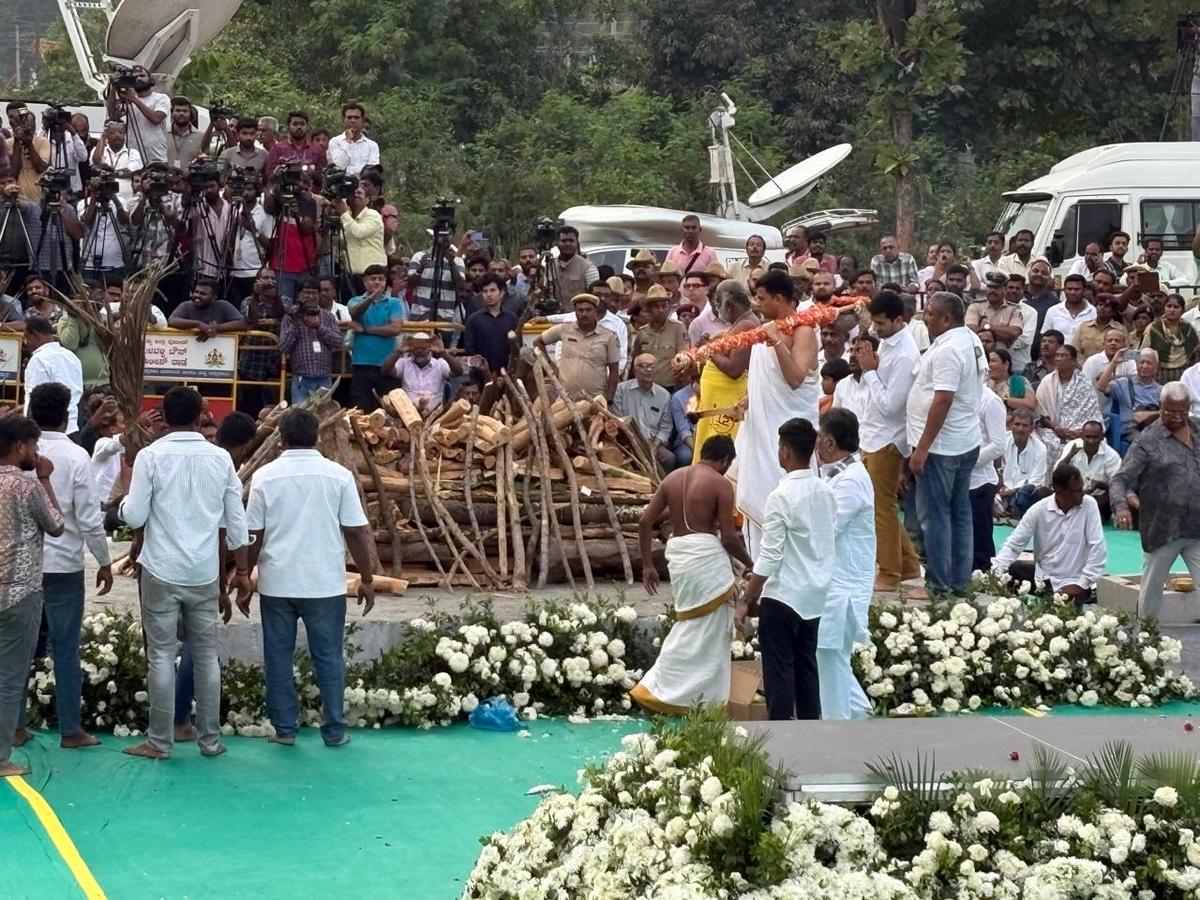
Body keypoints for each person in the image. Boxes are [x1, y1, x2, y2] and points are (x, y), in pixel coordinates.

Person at [118, 387, 251, 760]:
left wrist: (126, 503)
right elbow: (237, 524)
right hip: (204, 571)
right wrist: (240, 570)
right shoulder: (221, 459)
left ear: (164, 416)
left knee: (161, 656)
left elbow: (134, 516)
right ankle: (210, 741)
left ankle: (160, 742)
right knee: (206, 656)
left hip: (160, 568)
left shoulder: (150, 456)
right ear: (201, 417)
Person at [243, 408, 375, 747]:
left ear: (281, 440)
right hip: (324, 582)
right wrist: (367, 578)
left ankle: (285, 729)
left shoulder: (264, 477)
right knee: (329, 655)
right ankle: (334, 730)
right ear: (317, 437)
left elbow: (253, 534)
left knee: (278, 656)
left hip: (277, 581)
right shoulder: (339, 475)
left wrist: (243, 575)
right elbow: (357, 532)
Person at [14, 384, 112, 750]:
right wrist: (104, 561)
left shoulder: (15, 454)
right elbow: (88, 517)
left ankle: (15, 727)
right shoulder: (75, 456)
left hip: (24, 564)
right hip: (65, 564)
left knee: (17, 650)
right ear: (67, 413)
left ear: (31, 411)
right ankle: (71, 730)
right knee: (66, 649)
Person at [631, 435, 752, 713]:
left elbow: (644, 521)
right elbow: (729, 539)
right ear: (724, 461)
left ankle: (679, 693)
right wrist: (751, 564)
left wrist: (648, 564)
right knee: (712, 627)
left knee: (693, 625)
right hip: (705, 556)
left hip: (682, 557)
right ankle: (679, 693)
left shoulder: (672, 478)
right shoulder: (721, 483)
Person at [740, 418, 835, 721]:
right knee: (806, 668)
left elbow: (770, 556)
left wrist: (746, 596)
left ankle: (782, 740)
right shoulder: (825, 491)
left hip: (783, 596)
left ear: (784, 451)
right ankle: (811, 732)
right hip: (814, 594)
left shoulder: (781, 496)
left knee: (779, 674)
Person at [733, 270, 822, 557]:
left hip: (789, 431)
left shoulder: (804, 331)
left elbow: (796, 379)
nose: (757, 304)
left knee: (787, 503)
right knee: (759, 499)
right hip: (761, 431)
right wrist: (749, 399)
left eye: (761, 299)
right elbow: (766, 380)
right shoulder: (768, 327)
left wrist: (775, 341)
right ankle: (759, 572)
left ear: (780, 298)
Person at [905, 292, 987, 596]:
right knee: (959, 512)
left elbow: (943, 399)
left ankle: (939, 584)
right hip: (963, 439)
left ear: (946, 319)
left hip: (943, 446)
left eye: (930, 313)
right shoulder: (969, 339)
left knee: (936, 516)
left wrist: (923, 447)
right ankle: (958, 581)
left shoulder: (949, 350)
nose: (924, 317)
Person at [0, 414, 65, 777]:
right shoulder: (27, 488)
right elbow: (56, 524)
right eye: (34, 445)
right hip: (19, 591)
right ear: (20, 446)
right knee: (9, 677)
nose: (36, 452)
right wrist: (44, 476)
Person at [1112, 382, 1200, 616]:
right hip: (1163, 529)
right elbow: (1120, 478)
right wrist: (1121, 506)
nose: (1176, 417)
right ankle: (1145, 639)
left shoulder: (1198, 429)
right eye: (1170, 411)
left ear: (1188, 407)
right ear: (1160, 407)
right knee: (1150, 593)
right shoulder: (1146, 441)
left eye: (1181, 411)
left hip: (1196, 527)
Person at [855, 291, 921, 591]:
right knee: (882, 506)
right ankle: (907, 565)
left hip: (888, 439)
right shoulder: (888, 342)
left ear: (899, 320)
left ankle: (889, 573)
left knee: (880, 508)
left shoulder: (906, 353)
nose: (875, 329)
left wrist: (869, 372)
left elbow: (892, 406)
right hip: (873, 434)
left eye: (880, 324)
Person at [814, 409, 874, 721]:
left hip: (843, 588)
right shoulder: (841, 473)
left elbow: (827, 529)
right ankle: (861, 715)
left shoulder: (850, 481)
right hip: (836, 585)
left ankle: (837, 728)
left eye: (819, 438)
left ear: (830, 442)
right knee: (830, 656)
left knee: (830, 655)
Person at [992, 463, 1106, 604]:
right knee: (1010, 573)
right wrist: (995, 573)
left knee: (1063, 615)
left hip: (1077, 581)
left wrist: (1082, 583)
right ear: (1059, 491)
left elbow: (1098, 548)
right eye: (1077, 490)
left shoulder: (1089, 505)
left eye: (1082, 488)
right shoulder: (1038, 510)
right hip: (1044, 578)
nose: (1083, 493)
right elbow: (1014, 544)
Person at [691, 279, 757, 460]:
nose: (716, 311)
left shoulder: (747, 326)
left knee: (718, 459)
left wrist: (709, 348)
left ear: (728, 305)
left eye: (717, 306)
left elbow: (735, 370)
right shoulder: (740, 324)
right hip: (716, 403)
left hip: (727, 405)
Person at [534, 293, 620, 402]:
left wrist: (609, 400)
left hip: (595, 401)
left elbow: (614, 371)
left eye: (588, 310)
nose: (584, 314)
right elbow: (538, 342)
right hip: (565, 400)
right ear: (575, 312)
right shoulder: (564, 329)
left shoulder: (608, 336)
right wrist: (551, 366)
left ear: (595, 312)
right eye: (580, 310)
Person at [1034, 344, 1101, 474]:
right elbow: (1041, 412)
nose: (1058, 358)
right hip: (1052, 429)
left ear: (1073, 361)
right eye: (1057, 355)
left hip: (1081, 431)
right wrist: (1056, 428)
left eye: (1063, 355)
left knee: (1082, 443)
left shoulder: (1084, 383)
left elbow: (1092, 412)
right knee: (1047, 445)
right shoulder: (1048, 381)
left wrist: (1079, 431)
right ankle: (1048, 485)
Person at [347, 264, 404, 412]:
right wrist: (371, 297)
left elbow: (395, 328)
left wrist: (365, 329)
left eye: (381, 279)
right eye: (373, 279)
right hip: (362, 364)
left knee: (390, 410)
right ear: (365, 282)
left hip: (387, 367)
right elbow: (353, 314)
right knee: (360, 410)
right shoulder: (355, 300)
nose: (377, 282)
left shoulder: (394, 302)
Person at [277, 286, 345, 405]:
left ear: (319, 295)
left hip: (324, 377)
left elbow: (338, 342)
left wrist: (319, 327)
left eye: (314, 292)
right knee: (300, 417)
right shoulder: (290, 318)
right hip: (301, 378)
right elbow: (283, 347)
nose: (311, 296)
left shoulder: (328, 316)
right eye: (306, 293)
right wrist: (295, 322)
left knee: (324, 417)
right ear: (299, 295)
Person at [614, 354, 675, 471]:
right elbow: (616, 419)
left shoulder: (664, 395)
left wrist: (655, 445)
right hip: (626, 442)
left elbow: (666, 428)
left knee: (669, 458)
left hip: (652, 443)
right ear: (635, 371)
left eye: (652, 366)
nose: (648, 370)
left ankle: (662, 488)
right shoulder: (621, 390)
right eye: (643, 366)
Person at [22, 316, 84, 434]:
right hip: (73, 428)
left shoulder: (39, 360)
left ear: (35, 335)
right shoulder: (71, 356)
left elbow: (34, 399)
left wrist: (28, 433)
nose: (26, 344)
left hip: (47, 433)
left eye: (26, 338)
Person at [969, 387, 1007, 573]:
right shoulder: (957, 395)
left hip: (980, 480)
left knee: (980, 540)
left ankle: (985, 581)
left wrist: (967, 461)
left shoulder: (990, 401)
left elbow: (998, 445)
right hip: (957, 478)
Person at [105, 65, 170, 165]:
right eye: (135, 77)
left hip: (156, 157)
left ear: (150, 78)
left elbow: (156, 119)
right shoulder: (128, 99)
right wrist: (114, 87)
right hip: (134, 157)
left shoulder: (161, 98)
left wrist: (134, 99)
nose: (139, 79)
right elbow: (113, 116)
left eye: (142, 76)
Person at [1057, 420, 1121, 520]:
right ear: (1082, 436)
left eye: (1095, 437)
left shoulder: (1112, 456)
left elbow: (1118, 486)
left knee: (1106, 499)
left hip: (1097, 499)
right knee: (1044, 493)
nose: (1090, 441)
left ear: (1102, 437)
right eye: (1087, 437)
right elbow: (1057, 474)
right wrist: (1069, 457)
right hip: (1072, 495)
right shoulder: (1072, 446)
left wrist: (1099, 485)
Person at [381, 332, 461, 411]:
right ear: (411, 349)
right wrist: (399, 352)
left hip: (433, 415)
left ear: (430, 349)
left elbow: (458, 372)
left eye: (423, 348)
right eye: (416, 348)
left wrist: (443, 353)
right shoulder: (404, 363)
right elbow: (385, 371)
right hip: (409, 414)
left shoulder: (440, 364)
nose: (419, 351)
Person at [1100, 348, 1162, 450]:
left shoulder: (1161, 390)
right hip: (1129, 428)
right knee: (1145, 442)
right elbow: (1101, 387)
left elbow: (1168, 411)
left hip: (1152, 427)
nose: (1144, 366)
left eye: (1149, 363)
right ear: (1136, 365)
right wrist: (1114, 362)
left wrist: (1148, 414)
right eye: (1141, 362)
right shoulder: (1124, 383)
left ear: (1156, 368)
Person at [631, 286, 688, 390]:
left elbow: (684, 361)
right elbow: (635, 361)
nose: (661, 310)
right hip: (646, 388)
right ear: (649, 310)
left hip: (671, 388)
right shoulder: (642, 332)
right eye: (656, 307)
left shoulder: (678, 328)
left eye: (664, 306)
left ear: (669, 307)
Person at [997, 408, 1048, 518]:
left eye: (1024, 425)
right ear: (1011, 425)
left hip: (1021, 493)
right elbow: (996, 470)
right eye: (1017, 424)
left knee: (1026, 494)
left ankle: (1012, 509)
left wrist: (1013, 490)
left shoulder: (1040, 449)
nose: (1020, 429)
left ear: (1031, 428)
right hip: (1001, 491)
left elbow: (1036, 481)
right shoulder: (1002, 441)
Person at [331, 184, 386, 279]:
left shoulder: (373, 215)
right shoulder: (348, 218)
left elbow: (359, 232)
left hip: (373, 276)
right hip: (351, 276)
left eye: (359, 193)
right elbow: (345, 243)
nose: (356, 195)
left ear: (367, 200)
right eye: (353, 193)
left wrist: (343, 213)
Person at [1141, 295, 1199, 384]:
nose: (1172, 310)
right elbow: (1143, 353)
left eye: (1176, 307)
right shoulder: (1154, 329)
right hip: (1158, 377)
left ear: (1182, 310)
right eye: (1169, 306)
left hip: (1184, 376)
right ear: (1164, 308)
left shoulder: (1189, 329)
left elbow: (1196, 353)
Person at [167, 278, 247, 340]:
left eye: (203, 294)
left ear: (214, 298)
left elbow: (243, 323)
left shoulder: (223, 305)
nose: (197, 295)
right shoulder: (186, 305)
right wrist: (199, 324)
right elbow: (171, 321)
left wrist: (216, 328)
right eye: (196, 292)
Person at [965, 271, 1024, 350]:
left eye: (996, 288)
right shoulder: (975, 307)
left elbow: (1014, 333)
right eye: (990, 287)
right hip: (978, 353)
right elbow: (970, 331)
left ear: (1005, 290)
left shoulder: (1014, 309)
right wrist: (1002, 333)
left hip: (1002, 356)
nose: (992, 290)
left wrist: (987, 327)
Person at [327, 103, 379, 175]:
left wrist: (348, 171)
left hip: (363, 184)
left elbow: (372, 171)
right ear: (343, 120)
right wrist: (348, 141)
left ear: (362, 121)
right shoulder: (335, 142)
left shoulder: (372, 145)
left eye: (356, 118)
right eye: (349, 118)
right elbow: (340, 166)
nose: (353, 121)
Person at [986, 348, 1036, 413]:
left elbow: (1030, 404)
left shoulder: (1017, 381)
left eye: (993, 361)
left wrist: (1003, 400)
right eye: (987, 362)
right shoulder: (985, 384)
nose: (989, 365)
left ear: (1006, 364)